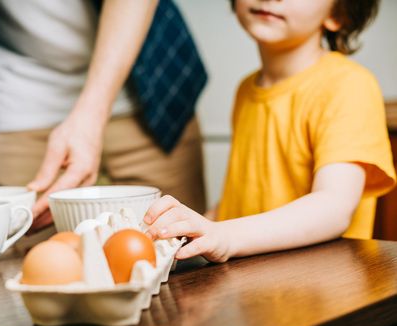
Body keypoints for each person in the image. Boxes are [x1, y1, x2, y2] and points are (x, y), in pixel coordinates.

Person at [0, 0, 207, 228]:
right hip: (17, 103)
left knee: (177, 252)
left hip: (149, 93)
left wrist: (91, 112)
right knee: (23, 261)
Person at [144, 0, 396, 262]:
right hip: (254, 287)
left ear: (338, 13)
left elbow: (334, 206)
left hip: (322, 290)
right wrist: (192, 229)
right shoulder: (245, 90)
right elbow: (243, 197)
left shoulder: (349, 85)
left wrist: (225, 235)